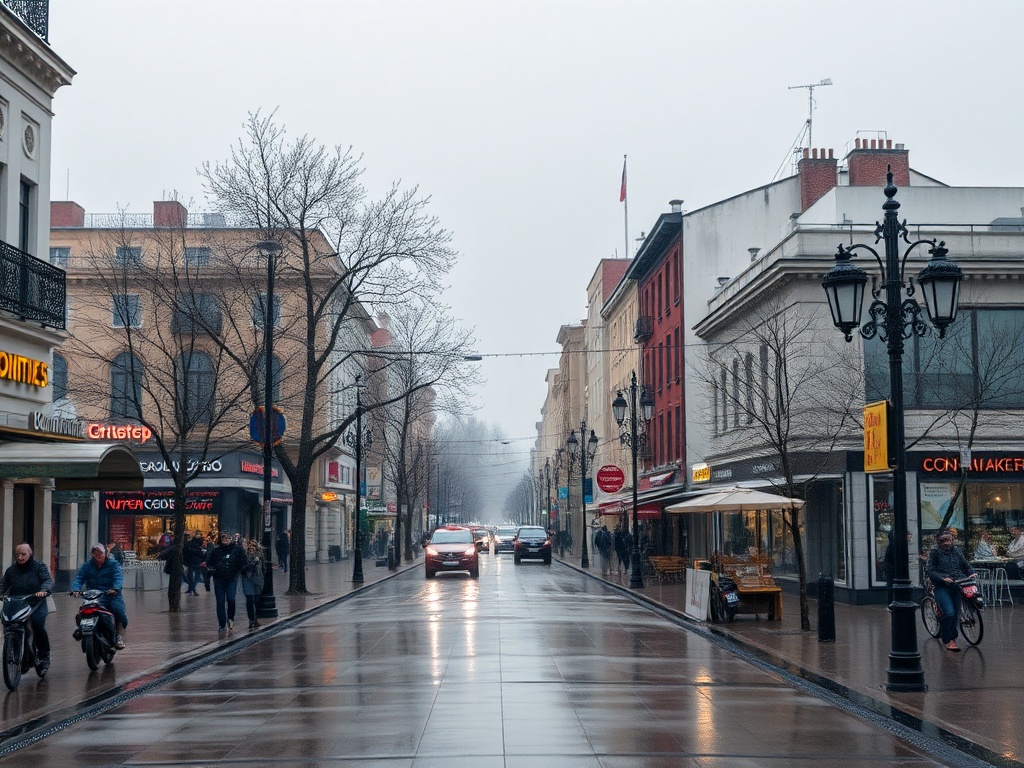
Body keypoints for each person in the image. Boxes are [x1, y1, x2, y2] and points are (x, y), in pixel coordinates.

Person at [0, 543, 53, 671]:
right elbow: (3, 585)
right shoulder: (11, 570)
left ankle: (43, 655)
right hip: (16, 603)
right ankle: (22, 655)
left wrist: (44, 590)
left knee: (37, 624)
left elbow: (47, 580)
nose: (20, 557)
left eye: (23, 554)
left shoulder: (39, 567)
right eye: (17, 555)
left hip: (36, 602)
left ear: (30, 553)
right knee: (11, 624)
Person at [926, 528, 976, 652]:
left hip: (957, 584)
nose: (947, 543)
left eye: (949, 540)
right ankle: (948, 639)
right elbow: (930, 570)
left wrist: (971, 573)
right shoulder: (935, 553)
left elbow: (965, 565)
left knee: (956, 613)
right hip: (942, 586)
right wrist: (943, 578)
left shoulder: (956, 551)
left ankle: (952, 637)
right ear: (939, 541)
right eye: (943, 540)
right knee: (949, 612)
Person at [71, 543, 128, 650]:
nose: (97, 555)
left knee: (119, 611)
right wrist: (75, 589)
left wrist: (115, 588)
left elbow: (118, 577)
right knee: (82, 611)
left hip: (111, 594)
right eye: (95, 553)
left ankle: (118, 635)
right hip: (92, 595)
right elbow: (79, 578)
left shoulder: (113, 564)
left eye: (100, 552)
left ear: (105, 553)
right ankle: (80, 628)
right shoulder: (87, 565)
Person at [206, 531, 246, 632]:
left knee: (231, 599)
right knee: (220, 602)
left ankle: (231, 618)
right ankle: (222, 624)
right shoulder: (216, 551)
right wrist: (212, 570)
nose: (226, 539)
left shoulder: (237, 550)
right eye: (224, 538)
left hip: (232, 578)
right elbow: (209, 563)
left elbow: (243, 562)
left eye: (228, 538)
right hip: (219, 578)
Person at [240, 538, 266, 630]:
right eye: (250, 545)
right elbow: (241, 567)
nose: (251, 547)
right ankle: (252, 620)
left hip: (258, 579)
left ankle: (255, 619)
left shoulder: (259, 555)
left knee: (256, 601)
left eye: (254, 546)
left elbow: (263, 567)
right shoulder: (243, 555)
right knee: (250, 600)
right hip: (247, 579)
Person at [183, 531, 206, 595]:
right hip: (194, 561)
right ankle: (192, 589)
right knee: (193, 575)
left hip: (194, 561)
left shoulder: (196, 543)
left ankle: (192, 589)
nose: (198, 536)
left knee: (193, 575)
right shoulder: (195, 543)